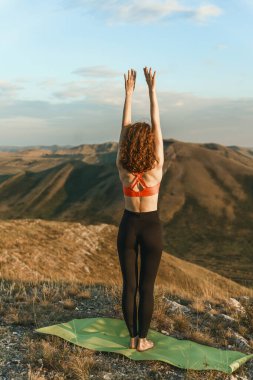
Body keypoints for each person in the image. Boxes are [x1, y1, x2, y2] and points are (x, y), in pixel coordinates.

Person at [116, 67, 164, 352]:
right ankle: (142, 340)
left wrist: (128, 94)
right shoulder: (156, 168)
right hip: (151, 228)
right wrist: (152, 90)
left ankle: (131, 335)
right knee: (147, 287)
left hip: (128, 226)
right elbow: (157, 128)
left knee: (129, 286)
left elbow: (124, 131)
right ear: (150, 144)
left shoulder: (123, 166)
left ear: (129, 145)